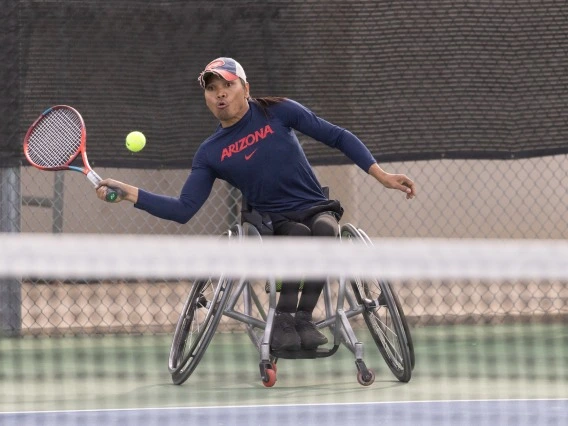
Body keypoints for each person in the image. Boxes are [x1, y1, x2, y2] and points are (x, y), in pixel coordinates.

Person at [96, 57, 416, 352]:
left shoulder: (278, 111)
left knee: (325, 232)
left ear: (245, 88)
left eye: (227, 85)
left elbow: (338, 136)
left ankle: (302, 318)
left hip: (315, 204)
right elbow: (184, 209)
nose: (220, 94)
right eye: (212, 89)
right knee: (300, 239)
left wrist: (380, 174)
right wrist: (129, 193)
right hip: (272, 221)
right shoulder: (210, 153)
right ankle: (283, 321)